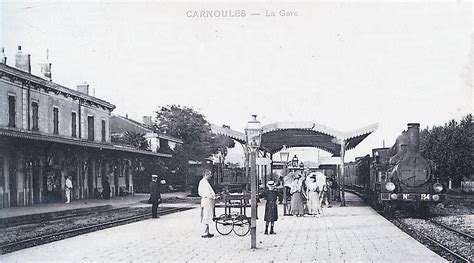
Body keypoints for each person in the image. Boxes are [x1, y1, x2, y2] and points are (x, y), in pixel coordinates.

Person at [198, 169, 217, 238]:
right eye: (210, 174)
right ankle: (204, 233)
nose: (211, 176)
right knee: (206, 216)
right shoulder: (203, 182)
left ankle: (207, 232)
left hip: (208, 200)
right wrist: (213, 197)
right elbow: (207, 193)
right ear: (206, 175)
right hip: (207, 200)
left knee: (208, 216)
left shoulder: (205, 182)